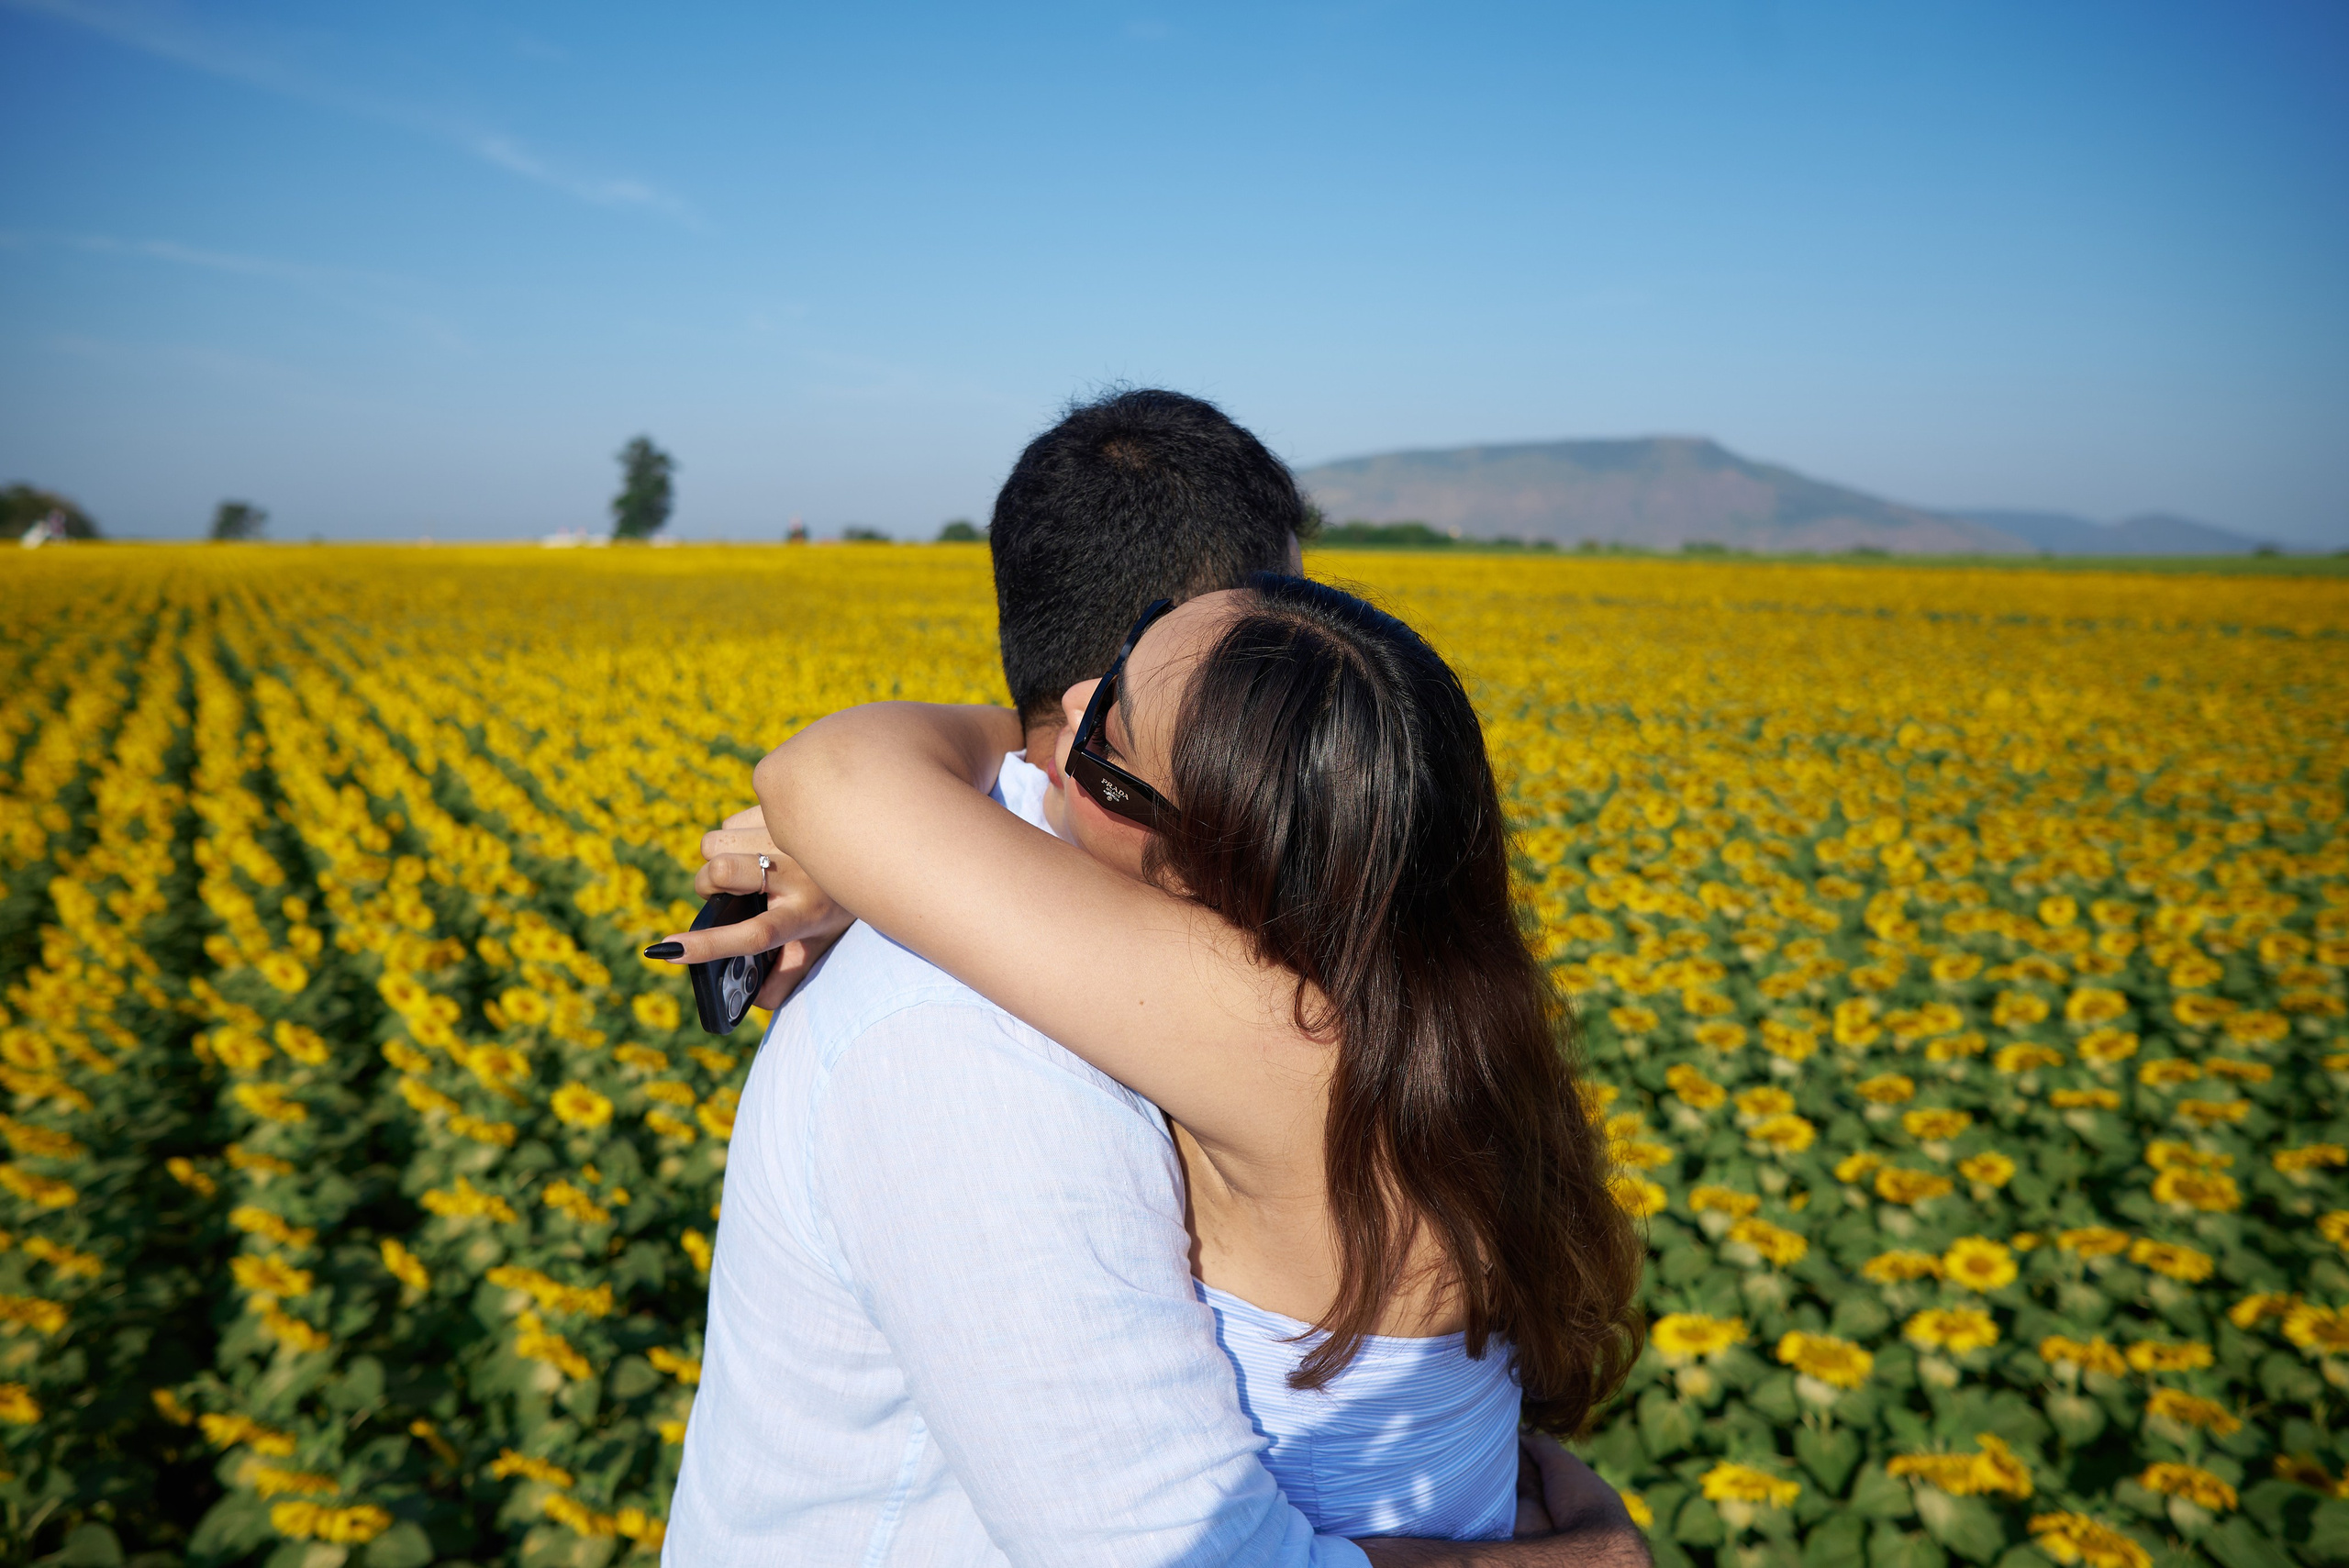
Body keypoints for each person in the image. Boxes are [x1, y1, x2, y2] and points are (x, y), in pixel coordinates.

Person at [659, 390, 1648, 1566]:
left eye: (1109, 734)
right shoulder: (1441, 993)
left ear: (1229, 830)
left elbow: (826, 775)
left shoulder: (1220, 1024)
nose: (1078, 710)